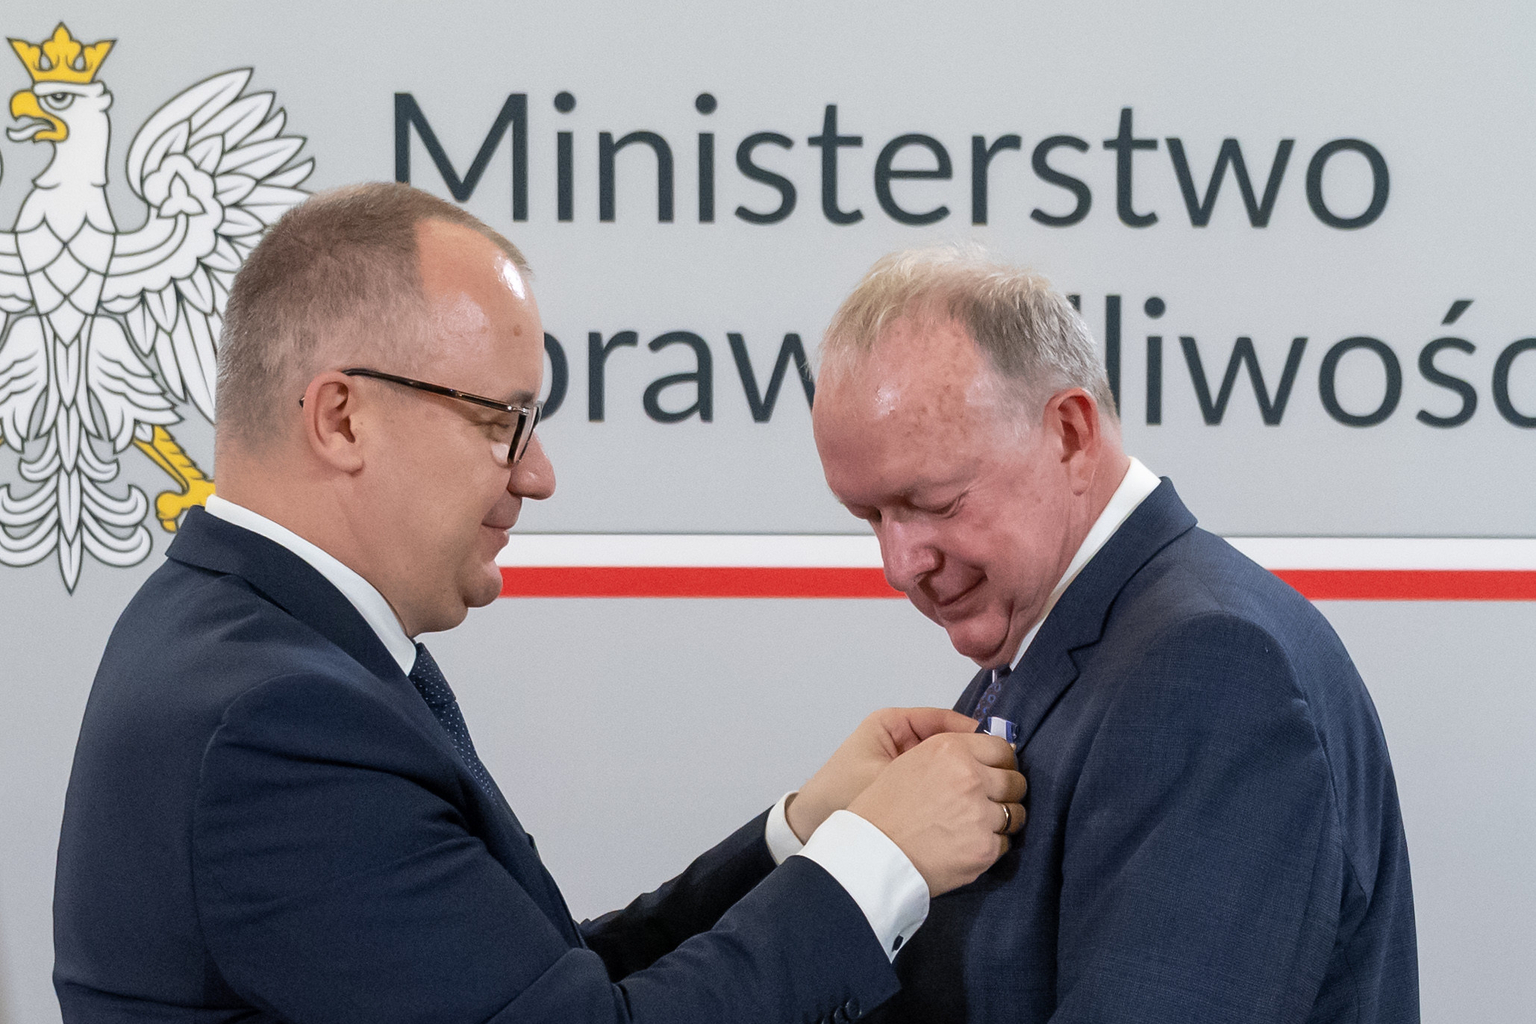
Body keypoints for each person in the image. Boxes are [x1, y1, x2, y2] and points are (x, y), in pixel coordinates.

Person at [52, 185, 1028, 1024]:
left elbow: (537, 988)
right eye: (502, 421)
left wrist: (804, 832)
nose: (538, 474)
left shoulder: (246, 645)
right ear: (342, 418)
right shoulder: (281, 725)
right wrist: (876, 860)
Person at [811, 247, 1419, 1023]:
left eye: (935, 502)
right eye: (870, 517)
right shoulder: (1088, 641)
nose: (900, 565)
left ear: (1069, 433)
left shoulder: (1209, 672)